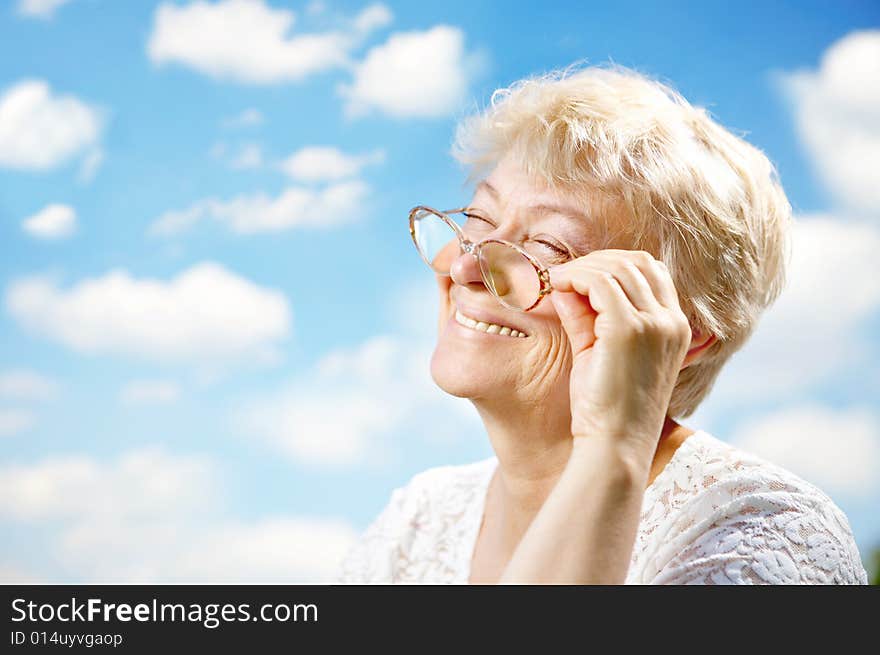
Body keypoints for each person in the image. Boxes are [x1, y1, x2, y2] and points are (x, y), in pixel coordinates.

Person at [335, 63, 868, 584]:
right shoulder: (421, 517)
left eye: (547, 246)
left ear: (686, 334)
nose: (467, 267)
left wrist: (612, 445)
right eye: (478, 221)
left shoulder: (765, 532)